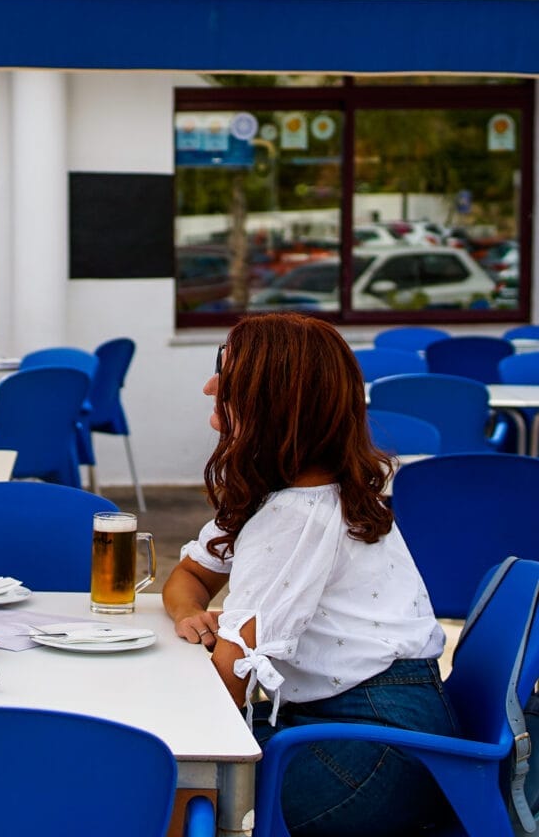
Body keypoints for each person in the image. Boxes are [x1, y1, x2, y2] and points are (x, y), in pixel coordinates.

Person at [162, 313, 458, 837]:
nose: (209, 387)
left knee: (167, 791)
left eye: (228, 380)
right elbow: (188, 575)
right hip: (364, 728)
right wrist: (190, 614)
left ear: (274, 403)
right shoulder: (283, 493)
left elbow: (230, 679)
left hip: (375, 751)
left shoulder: (296, 514)